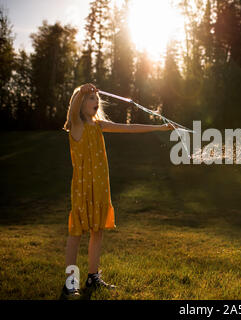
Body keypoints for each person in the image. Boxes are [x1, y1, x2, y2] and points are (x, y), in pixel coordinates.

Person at [61, 83, 176, 299]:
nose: (95, 102)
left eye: (97, 99)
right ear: (80, 103)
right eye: (90, 99)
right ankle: (70, 282)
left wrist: (160, 128)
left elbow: (130, 128)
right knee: (76, 233)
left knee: (98, 231)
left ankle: (92, 277)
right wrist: (82, 90)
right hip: (83, 188)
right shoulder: (76, 124)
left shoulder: (99, 126)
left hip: (101, 187)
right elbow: (73, 106)